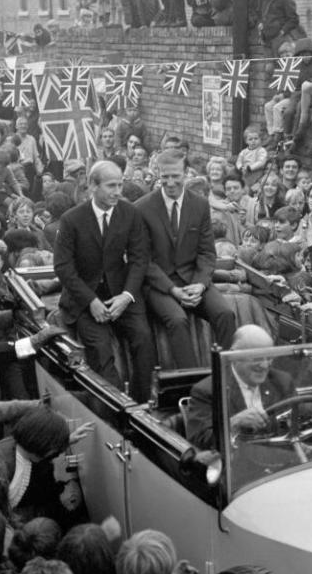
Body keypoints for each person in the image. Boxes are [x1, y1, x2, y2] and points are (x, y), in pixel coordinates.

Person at [53, 160, 156, 402]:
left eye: (120, 185)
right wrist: (91, 302)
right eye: (111, 186)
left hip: (122, 295)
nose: (117, 192)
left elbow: (140, 258)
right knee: (100, 350)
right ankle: (118, 406)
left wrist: (127, 296)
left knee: (143, 339)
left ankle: (144, 405)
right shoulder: (71, 219)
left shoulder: (130, 213)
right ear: (92, 186)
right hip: (85, 299)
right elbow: (63, 267)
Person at [136, 151, 236, 368]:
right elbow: (142, 259)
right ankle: (191, 384)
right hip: (159, 285)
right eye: (165, 177)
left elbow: (207, 253)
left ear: (186, 174)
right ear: (157, 175)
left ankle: (224, 375)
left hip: (194, 279)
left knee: (225, 314)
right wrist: (173, 290)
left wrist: (200, 284)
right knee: (178, 320)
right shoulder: (142, 208)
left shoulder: (199, 205)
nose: (170, 183)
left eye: (175, 176)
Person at [186, 324, 312, 449]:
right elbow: (198, 443)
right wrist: (233, 424)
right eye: (257, 358)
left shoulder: (281, 381)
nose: (264, 365)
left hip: (281, 463)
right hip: (237, 473)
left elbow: (298, 423)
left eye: (269, 357)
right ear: (234, 356)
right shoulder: (208, 391)